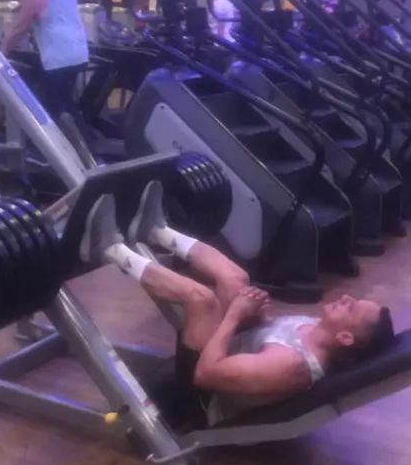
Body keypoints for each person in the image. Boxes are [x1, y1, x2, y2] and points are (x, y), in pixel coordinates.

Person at [81, 181, 395, 425]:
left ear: (345, 337)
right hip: (230, 354)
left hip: (201, 396)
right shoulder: (316, 329)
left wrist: (234, 315)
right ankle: (157, 231)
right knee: (236, 278)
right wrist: (258, 311)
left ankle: (108, 250)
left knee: (200, 299)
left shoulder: (291, 366)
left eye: (352, 308)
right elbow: (270, 336)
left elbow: (206, 375)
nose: (346, 298)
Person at [3, 0, 89, 124]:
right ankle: (81, 134)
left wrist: (1, 52)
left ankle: (67, 138)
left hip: (58, 59)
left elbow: (20, 27)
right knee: (67, 103)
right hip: (79, 54)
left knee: (52, 108)